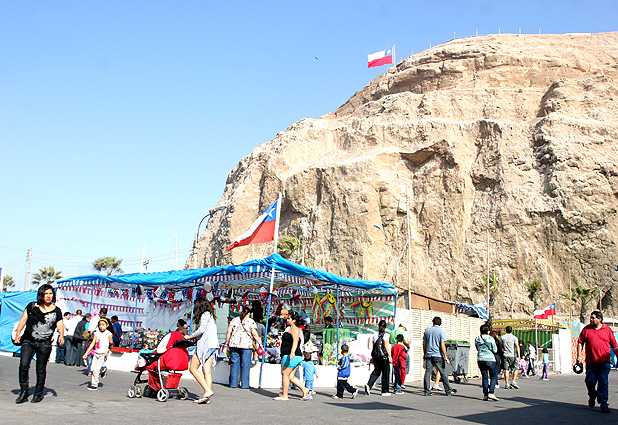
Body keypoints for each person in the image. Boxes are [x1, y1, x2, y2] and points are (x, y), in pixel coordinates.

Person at [13, 284, 64, 404]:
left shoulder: (56, 310)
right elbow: (23, 320)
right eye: (46, 293)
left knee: (41, 369)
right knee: (23, 366)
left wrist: (61, 335)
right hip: (28, 341)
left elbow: (60, 324)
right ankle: (24, 392)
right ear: (41, 294)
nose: (48, 296)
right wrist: (18, 334)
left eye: (50, 293)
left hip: (44, 343)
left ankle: (38, 393)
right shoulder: (31, 306)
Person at [576, 310, 618, 414]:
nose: (591, 319)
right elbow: (580, 342)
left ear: (599, 319)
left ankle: (603, 404)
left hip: (604, 362)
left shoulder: (607, 330)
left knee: (603, 382)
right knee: (589, 381)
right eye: (590, 317)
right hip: (591, 362)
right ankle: (592, 395)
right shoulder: (586, 329)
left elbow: (615, 346)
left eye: (593, 318)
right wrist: (578, 357)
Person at [184, 297, 218, 404]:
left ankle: (207, 390)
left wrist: (189, 337)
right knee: (206, 371)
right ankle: (206, 396)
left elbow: (201, 329)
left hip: (205, 346)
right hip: (213, 345)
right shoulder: (211, 315)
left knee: (193, 368)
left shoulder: (204, 315)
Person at [274, 310, 312, 401]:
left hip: (292, 354)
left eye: (289, 319)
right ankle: (305, 390)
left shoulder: (295, 328)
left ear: (294, 320)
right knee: (291, 376)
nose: (288, 320)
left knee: (285, 374)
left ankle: (285, 395)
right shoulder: (289, 328)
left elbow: (295, 341)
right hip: (290, 354)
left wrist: (292, 352)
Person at [225, 306, 262, 389]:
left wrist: (227, 341)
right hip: (246, 345)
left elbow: (229, 331)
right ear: (249, 314)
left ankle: (233, 383)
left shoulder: (234, 320)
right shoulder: (250, 321)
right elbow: (255, 334)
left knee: (234, 364)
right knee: (245, 365)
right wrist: (260, 344)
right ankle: (245, 384)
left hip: (234, 344)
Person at [422, 316, 455, 396]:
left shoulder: (427, 331)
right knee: (443, 372)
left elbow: (424, 343)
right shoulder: (441, 332)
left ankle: (427, 391)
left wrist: (425, 353)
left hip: (429, 354)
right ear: (440, 323)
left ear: (433, 322)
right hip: (438, 355)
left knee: (428, 372)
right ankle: (448, 390)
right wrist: (445, 356)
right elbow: (442, 344)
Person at [83, 317, 113, 390]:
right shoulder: (96, 333)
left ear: (107, 325)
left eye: (103, 325)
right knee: (92, 369)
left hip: (103, 354)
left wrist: (107, 351)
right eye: (100, 325)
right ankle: (102, 369)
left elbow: (111, 344)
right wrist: (86, 353)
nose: (101, 326)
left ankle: (94, 384)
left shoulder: (109, 334)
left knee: (96, 371)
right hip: (96, 353)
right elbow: (93, 343)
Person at [365, 319, 392, 396]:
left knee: (376, 371)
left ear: (378, 326)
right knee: (385, 373)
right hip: (383, 357)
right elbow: (386, 346)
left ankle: (369, 385)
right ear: (385, 327)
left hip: (376, 356)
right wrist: (390, 356)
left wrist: (373, 356)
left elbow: (374, 346)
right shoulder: (386, 335)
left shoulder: (374, 335)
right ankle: (385, 391)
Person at [475, 324, 499, 401]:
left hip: (481, 359)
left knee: (484, 376)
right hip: (490, 359)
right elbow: (495, 350)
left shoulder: (477, 338)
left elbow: (477, 348)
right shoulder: (491, 338)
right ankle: (491, 392)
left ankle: (485, 394)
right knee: (494, 376)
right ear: (488, 331)